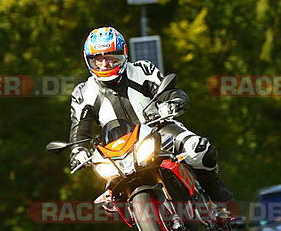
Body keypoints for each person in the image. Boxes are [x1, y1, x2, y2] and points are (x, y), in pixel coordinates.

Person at [67, 26, 233, 203]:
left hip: (160, 130)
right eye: (97, 59)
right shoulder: (83, 93)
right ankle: (143, 220)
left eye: (110, 57)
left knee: (200, 149)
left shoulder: (142, 70)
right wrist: (78, 151)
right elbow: (79, 130)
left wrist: (174, 102)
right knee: (110, 196)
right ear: (88, 60)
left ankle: (218, 195)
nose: (105, 64)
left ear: (123, 54)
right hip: (117, 151)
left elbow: (170, 91)